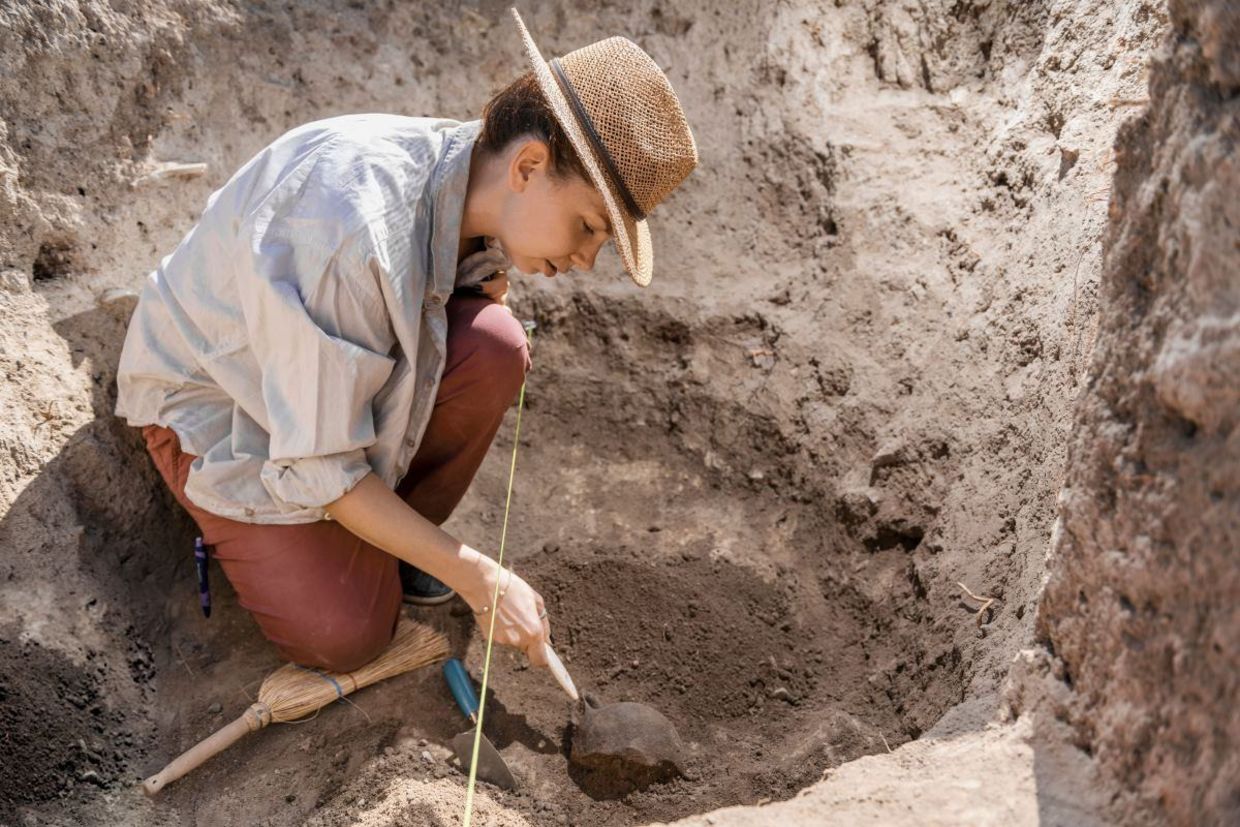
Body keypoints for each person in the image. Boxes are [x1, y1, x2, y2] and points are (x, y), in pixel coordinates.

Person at [114, 7, 698, 674]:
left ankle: (384, 545)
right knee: (344, 635)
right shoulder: (353, 231)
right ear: (530, 166)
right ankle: (354, 552)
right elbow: (322, 469)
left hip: (315, 395)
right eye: (589, 226)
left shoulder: (469, 189)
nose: (588, 259)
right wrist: (481, 577)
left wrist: (481, 284)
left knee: (495, 346)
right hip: (220, 400)